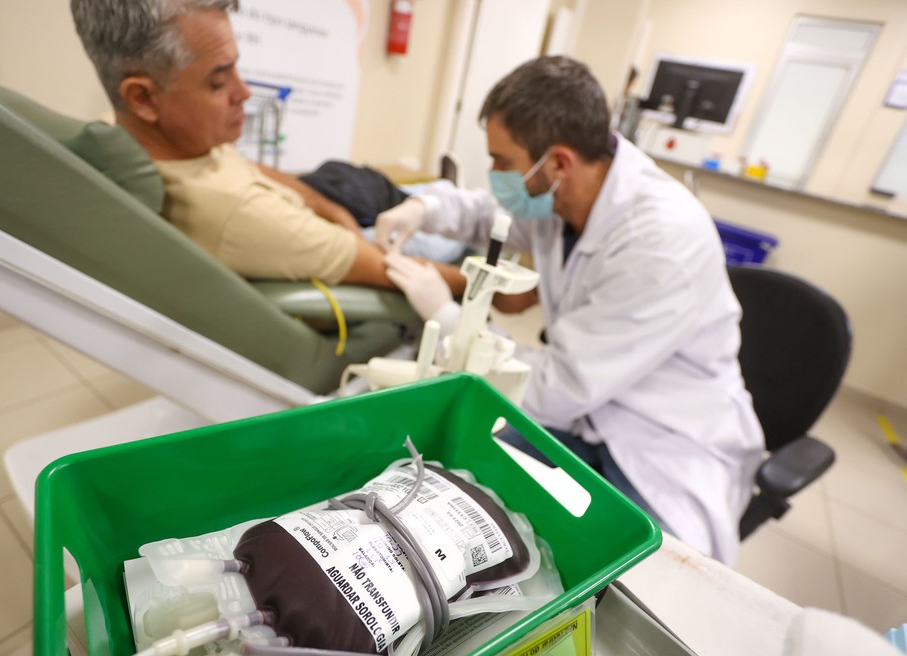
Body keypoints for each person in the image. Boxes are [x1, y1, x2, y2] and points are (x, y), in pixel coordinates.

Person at [376, 56, 764, 565]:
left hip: (659, 446)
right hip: (584, 412)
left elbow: (554, 390)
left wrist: (451, 319)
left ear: (558, 162)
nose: (495, 176)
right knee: (465, 492)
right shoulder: (562, 199)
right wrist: (423, 207)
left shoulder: (661, 240)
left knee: (621, 579)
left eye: (501, 162)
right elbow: (489, 215)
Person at [70, 0, 463, 291]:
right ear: (142, 98)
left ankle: (435, 194)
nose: (243, 92)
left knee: (351, 181)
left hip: (324, 205)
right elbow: (388, 268)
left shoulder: (137, 135)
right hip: (348, 239)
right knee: (448, 225)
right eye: (218, 81)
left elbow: (245, 167)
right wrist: (487, 291)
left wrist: (333, 211)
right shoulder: (244, 215)